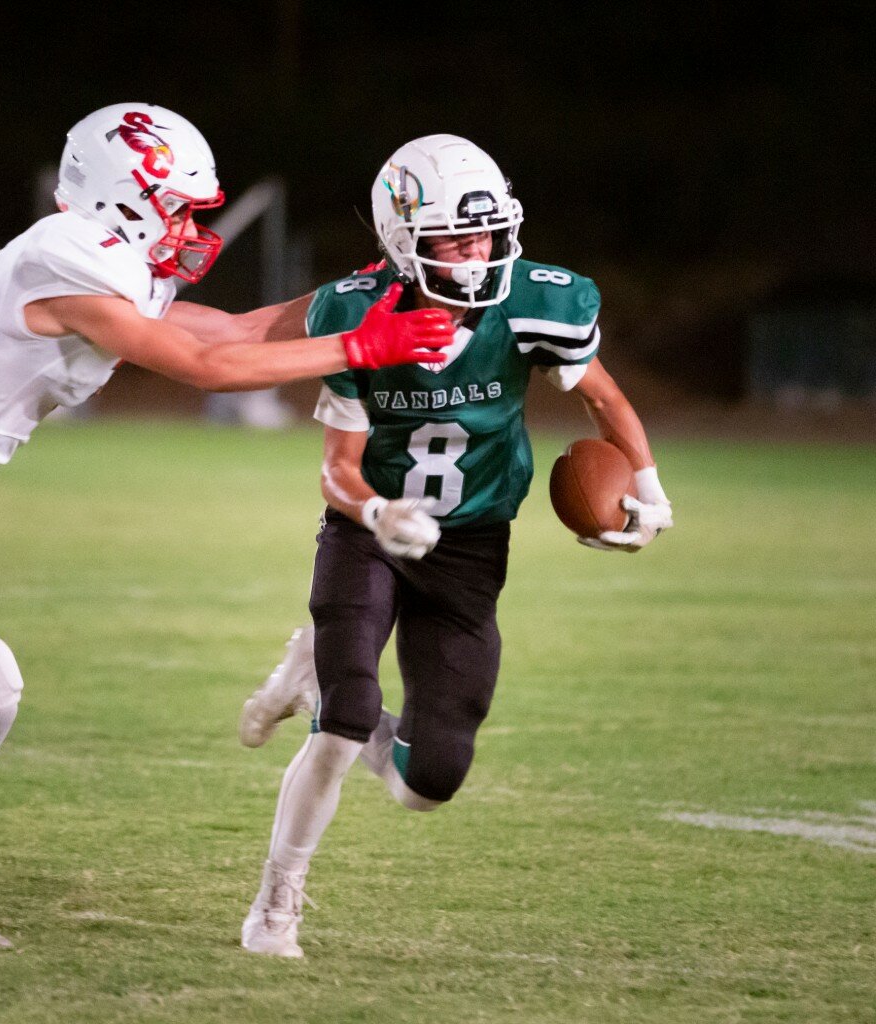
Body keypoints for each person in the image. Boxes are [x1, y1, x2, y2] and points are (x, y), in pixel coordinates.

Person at [0, 104, 452, 948]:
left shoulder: (105, 263)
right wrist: (366, 348)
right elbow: (209, 367)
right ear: (125, 196)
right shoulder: (64, 258)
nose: (186, 226)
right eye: (176, 205)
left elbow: (237, 331)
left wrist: (354, 299)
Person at [236, 134, 674, 958]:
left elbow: (604, 396)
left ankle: (310, 675)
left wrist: (648, 489)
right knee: (344, 718)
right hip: (369, 535)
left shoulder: (540, 301)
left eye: (487, 234)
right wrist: (375, 516)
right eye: (455, 239)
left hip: (472, 544)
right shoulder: (356, 310)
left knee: (425, 783)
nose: (478, 254)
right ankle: (276, 902)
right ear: (402, 241)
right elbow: (338, 470)